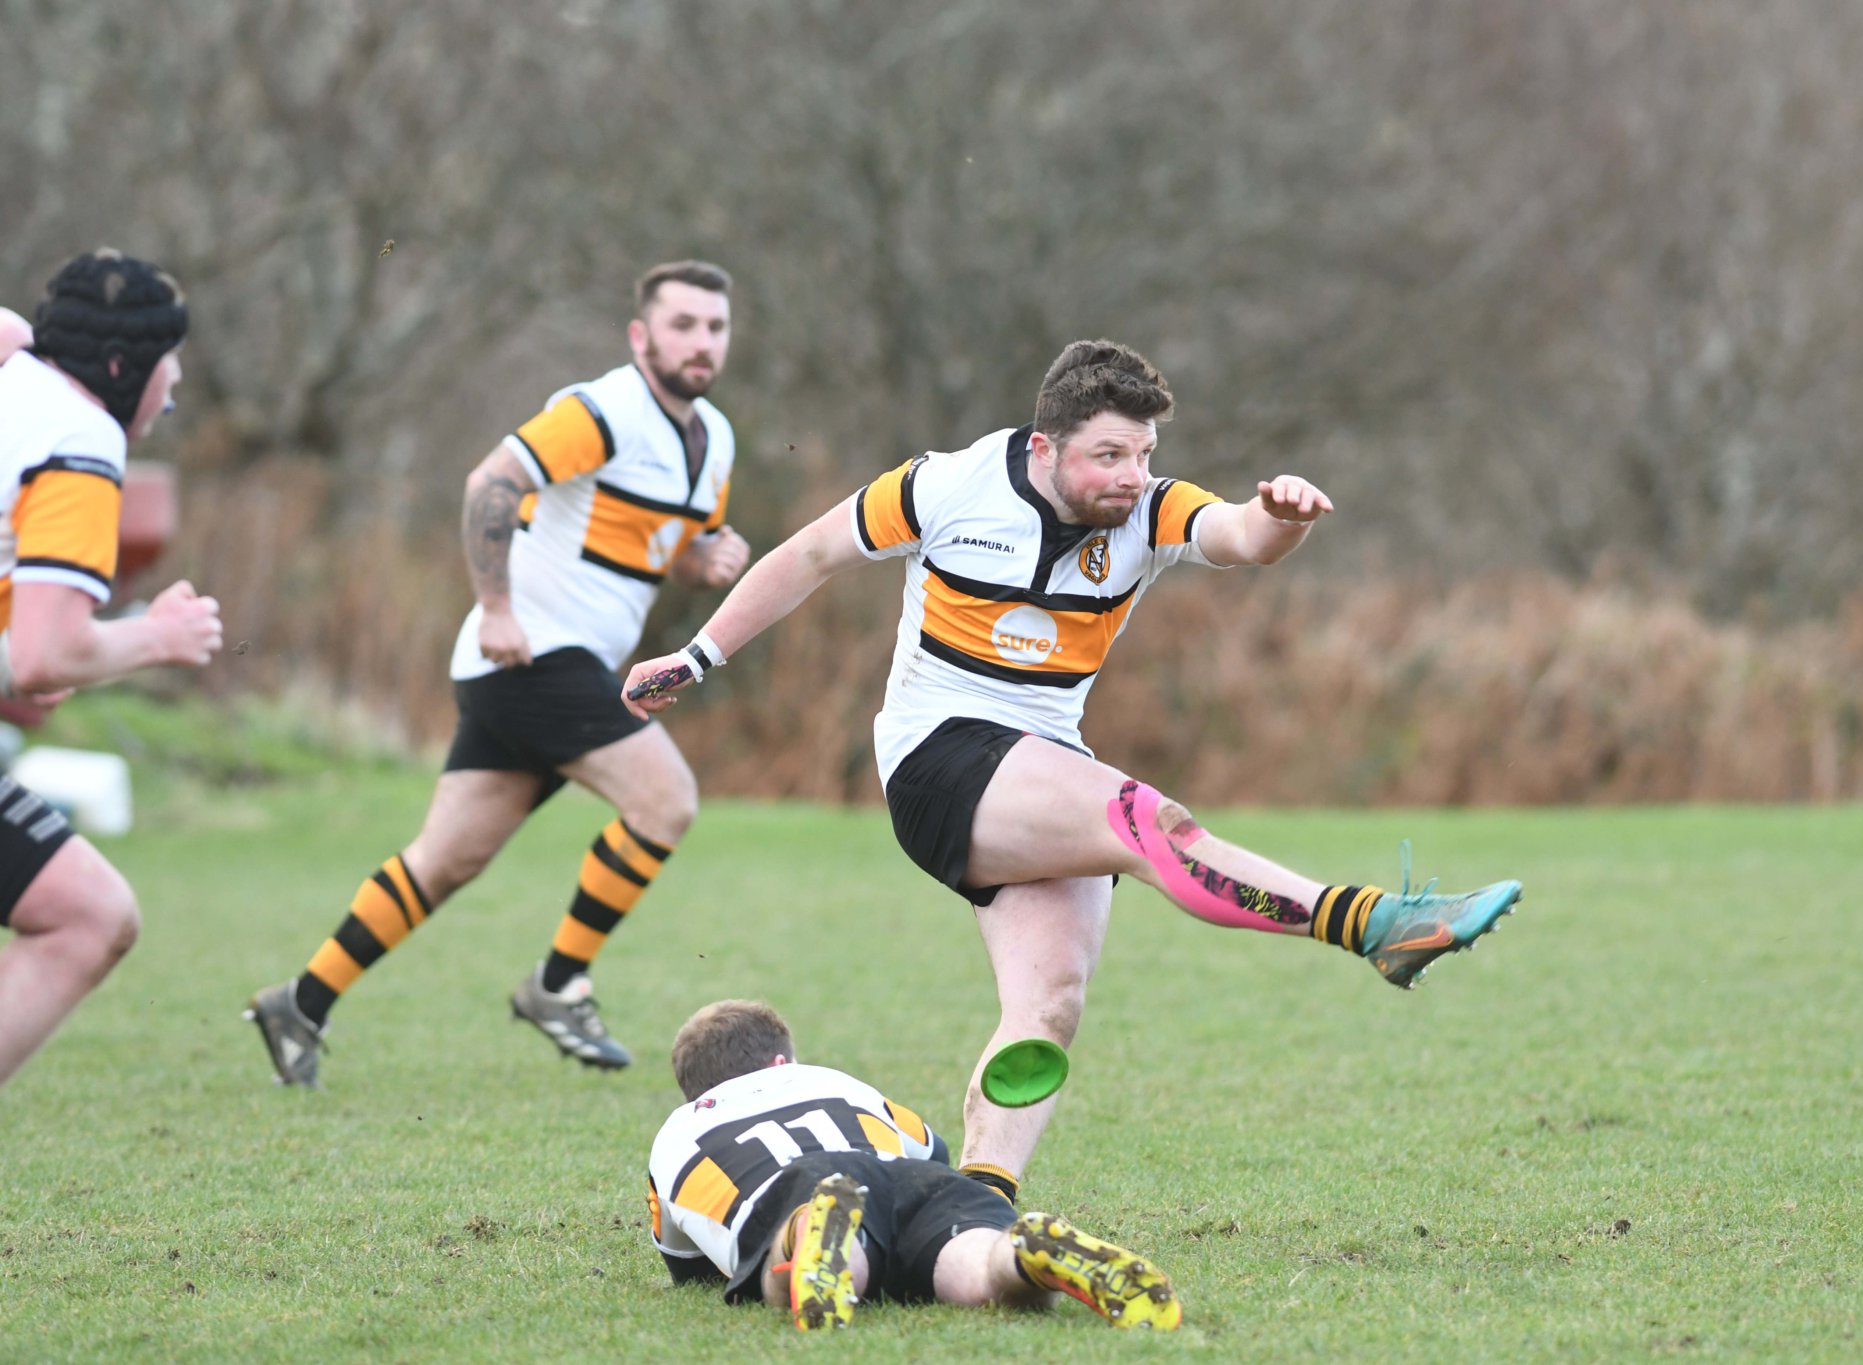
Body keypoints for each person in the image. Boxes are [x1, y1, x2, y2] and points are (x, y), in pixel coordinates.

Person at [623, 339, 1525, 1202]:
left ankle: (973, 1205)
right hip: (940, 756)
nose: (1131, 476)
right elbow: (810, 554)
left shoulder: (1150, 508)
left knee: (1046, 1012)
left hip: (1044, 765)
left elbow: (1241, 535)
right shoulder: (949, 484)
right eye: (1108, 454)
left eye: (1143, 452)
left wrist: (1281, 519)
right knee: (1147, 821)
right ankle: (1374, 923)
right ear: (1045, 445)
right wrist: (696, 658)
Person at [246, 261, 752, 1087]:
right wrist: (496, 606)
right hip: (528, 653)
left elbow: (656, 548)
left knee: (444, 860)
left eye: (715, 328)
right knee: (667, 800)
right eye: (683, 324)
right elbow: (493, 480)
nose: (701, 342)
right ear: (641, 335)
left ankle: (299, 1002)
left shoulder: (715, 437)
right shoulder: (602, 409)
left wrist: (706, 558)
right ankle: (558, 985)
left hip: (545, 665)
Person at [0, 250, 224, 1086]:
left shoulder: (13, 368)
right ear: (124, 366)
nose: (174, 386)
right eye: (168, 360)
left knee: (84, 909)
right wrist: (156, 636)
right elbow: (46, 652)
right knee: (86, 918)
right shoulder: (80, 437)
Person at [648, 999, 1180, 1331]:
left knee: (774, 1276)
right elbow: (933, 1150)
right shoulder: (835, 1081)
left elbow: (688, 1266)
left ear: (693, 1089)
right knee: (980, 1274)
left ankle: (809, 1234)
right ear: (782, 1062)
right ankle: (1022, 1250)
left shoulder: (676, 1133)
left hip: (798, 1187)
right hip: (911, 1179)